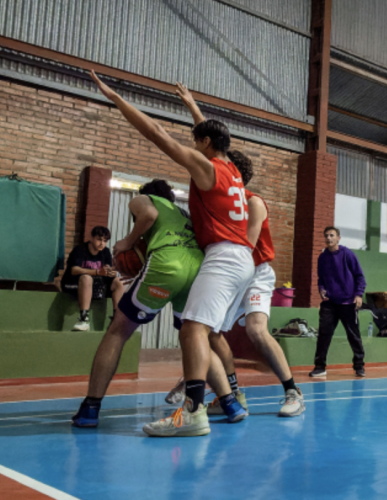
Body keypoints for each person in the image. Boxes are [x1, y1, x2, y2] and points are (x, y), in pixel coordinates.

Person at [90, 71, 255, 437]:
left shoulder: (206, 167)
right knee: (200, 332)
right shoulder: (232, 170)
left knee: (193, 330)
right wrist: (192, 105)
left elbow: (157, 134)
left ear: (206, 143)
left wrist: (116, 98)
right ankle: (227, 400)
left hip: (223, 257)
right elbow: (212, 136)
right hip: (238, 259)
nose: (193, 148)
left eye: (197, 143)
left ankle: (194, 412)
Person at [163, 83, 305, 418]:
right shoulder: (227, 185)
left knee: (255, 329)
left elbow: (247, 246)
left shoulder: (253, 203)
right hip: (234, 268)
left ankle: (293, 391)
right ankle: (232, 394)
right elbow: (212, 142)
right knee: (209, 332)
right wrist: (193, 106)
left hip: (254, 270)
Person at [72, 180, 209, 427]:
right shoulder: (183, 213)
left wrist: (127, 241)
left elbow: (147, 214)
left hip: (168, 265)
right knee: (195, 336)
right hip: (197, 268)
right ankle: (230, 400)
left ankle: (90, 408)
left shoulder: (143, 199)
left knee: (117, 331)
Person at [310, 226, 367, 378]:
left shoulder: (347, 254)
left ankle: (359, 366)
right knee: (323, 335)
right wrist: (321, 289)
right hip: (329, 303)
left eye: (332, 235)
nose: (329, 238)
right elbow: (321, 278)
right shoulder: (322, 257)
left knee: (353, 335)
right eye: (326, 236)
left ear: (338, 238)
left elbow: (360, 277)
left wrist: (359, 295)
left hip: (348, 302)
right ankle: (320, 366)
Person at [60, 226, 125, 331]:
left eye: (105, 241)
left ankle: (116, 321)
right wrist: (97, 272)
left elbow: (107, 270)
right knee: (86, 278)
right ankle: (83, 319)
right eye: (99, 239)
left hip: (97, 286)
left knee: (119, 282)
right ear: (91, 238)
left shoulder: (105, 252)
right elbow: (74, 270)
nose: (102, 243)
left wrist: (111, 272)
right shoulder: (80, 250)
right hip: (74, 284)